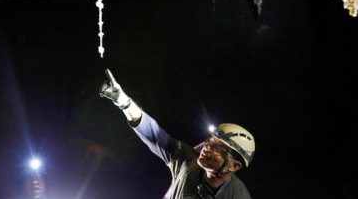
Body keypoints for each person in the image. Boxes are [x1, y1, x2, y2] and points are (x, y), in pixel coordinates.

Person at [99, 69, 255, 199]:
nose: (207, 147)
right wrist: (124, 102)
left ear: (234, 165)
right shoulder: (188, 161)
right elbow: (154, 135)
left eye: (218, 149)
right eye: (210, 141)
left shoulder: (237, 196)